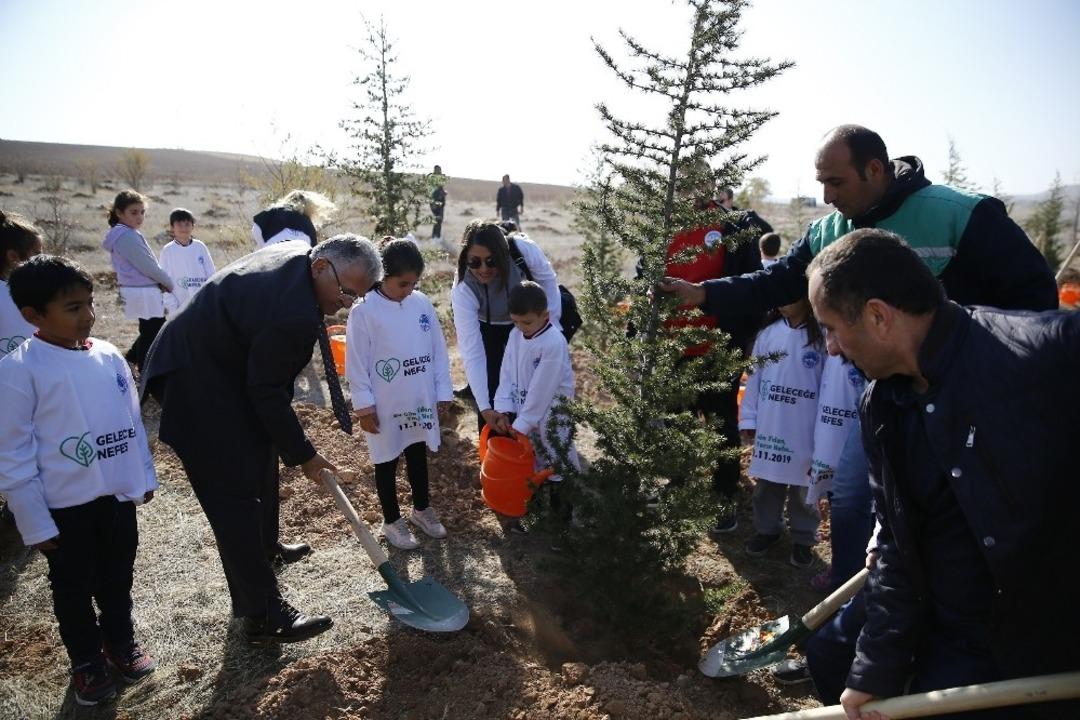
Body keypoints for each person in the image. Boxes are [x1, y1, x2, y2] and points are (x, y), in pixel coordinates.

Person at [808, 229, 1079, 720]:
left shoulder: (1045, 355)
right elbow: (893, 540)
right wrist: (876, 668)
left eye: (830, 328)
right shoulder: (882, 407)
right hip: (959, 636)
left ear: (877, 316)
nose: (829, 348)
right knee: (829, 656)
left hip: (1051, 637)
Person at [142, 235, 382, 644]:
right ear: (322, 266)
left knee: (261, 445)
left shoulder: (298, 256)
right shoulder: (291, 313)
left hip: (226, 365)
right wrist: (305, 454)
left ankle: (266, 544)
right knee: (232, 494)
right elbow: (267, 392)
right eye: (345, 291)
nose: (345, 303)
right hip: (196, 380)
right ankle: (262, 614)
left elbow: (266, 392)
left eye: (356, 298)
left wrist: (289, 443)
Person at [0, 256, 159, 706]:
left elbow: (132, 421)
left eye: (89, 303)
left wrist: (141, 476)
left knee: (117, 577)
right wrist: (35, 522)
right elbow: (12, 456)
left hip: (115, 500)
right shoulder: (18, 371)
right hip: (64, 509)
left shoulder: (108, 355)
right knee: (72, 587)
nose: (87, 315)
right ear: (32, 315)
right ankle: (87, 660)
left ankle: (121, 641)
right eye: (72, 307)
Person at [654, 166, 766, 535]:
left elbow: (749, 286)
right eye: (681, 177)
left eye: (696, 177)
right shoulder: (664, 225)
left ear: (709, 183)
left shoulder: (732, 226)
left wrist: (741, 339)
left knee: (721, 425)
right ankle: (679, 486)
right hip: (672, 348)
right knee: (675, 421)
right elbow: (645, 275)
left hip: (717, 348)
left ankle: (722, 498)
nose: (688, 185)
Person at [345, 238, 453, 550]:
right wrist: (364, 408)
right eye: (402, 283)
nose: (408, 289)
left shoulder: (421, 304)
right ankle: (391, 520)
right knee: (387, 459)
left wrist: (442, 391)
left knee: (417, 453)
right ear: (382, 276)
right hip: (385, 405)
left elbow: (438, 350)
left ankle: (421, 510)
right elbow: (356, 364)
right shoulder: (363, 312)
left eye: (413, 283)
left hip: (417, 398)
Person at [738, 297, 825, 568]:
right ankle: (767, 529)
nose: (783, 302)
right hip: (772, 423)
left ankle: (803, 537)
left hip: (806, 425)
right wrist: (749, 418)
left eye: (791, 295)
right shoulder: (768, 334)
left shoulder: (822, 335)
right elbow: (753, 379)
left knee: (804, 485)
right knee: (768, 480)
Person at [450, 220, 561, 432]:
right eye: (475, 262)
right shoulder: (463, 287)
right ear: (466, 258)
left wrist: (549, 331)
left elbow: (548, 283)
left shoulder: (523, 251)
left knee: (525, 384)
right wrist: (484, 407)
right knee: (492, 386)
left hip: (523, 323)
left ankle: (531, 440)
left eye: (491, 261)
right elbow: (471, 350)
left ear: (502, 255)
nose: (483, 269)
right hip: (487, 327)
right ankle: (492, 452)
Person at [490, 281, 580, 523]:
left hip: (552, 417)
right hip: (524, 416)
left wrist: (522, 423)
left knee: (556, 462)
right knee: (531, 464)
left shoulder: (553, 343)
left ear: (545, 315)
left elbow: (542, 389)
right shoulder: (516, 335)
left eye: (527, 322)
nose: (521, 327)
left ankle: (561, 523)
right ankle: (535, 517)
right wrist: (504, 408)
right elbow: (507, 372)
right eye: (516, 322)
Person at [102, 190, 174, 375]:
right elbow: (146, 265)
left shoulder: (123, 233)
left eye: (142, 212)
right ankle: (144, 371)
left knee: (150, 329)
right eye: (134, 212)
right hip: (142, 290)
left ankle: (132, 359)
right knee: (154, 331)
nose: (140, 217)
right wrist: (167, 281)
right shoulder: (127, 236)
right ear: (119, 213)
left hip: (137, 289)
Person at [0, 210, 43, 357]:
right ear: (13, 257)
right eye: (37, 254)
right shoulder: (13, 296)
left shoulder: (30, 292)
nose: (43, 260)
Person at [159, 208, 216, 315]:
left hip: (201, 303)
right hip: (178, 307)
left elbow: (212, 274)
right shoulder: (168, 250)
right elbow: (163, 282)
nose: (184, 228)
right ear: (172, 227)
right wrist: (173, 307)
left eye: (187, 224)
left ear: (193, 226)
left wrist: (209, 299)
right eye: (179, 225)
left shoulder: (200, 247)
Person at [251, 189, 336, 249]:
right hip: (297, 262)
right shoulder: (307, 223)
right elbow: (312, 252)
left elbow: (256, 228)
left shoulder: (272, 211)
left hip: (270, 252)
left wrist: (264, 247)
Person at [430, 165, 447, 242]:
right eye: (438, 170)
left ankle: (437, 237)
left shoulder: (440, 178)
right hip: (436, 203)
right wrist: (433, 203)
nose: (440, 171)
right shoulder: (433, 179)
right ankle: (435, 237)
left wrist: (444, 193)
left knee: (439, 220)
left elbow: (441, 189)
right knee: (438, 220)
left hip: (441, 202)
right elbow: (432, 192)